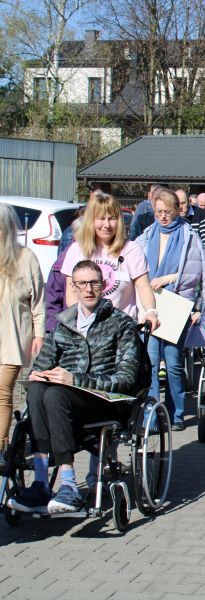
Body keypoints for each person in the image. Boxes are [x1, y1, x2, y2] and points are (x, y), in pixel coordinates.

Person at [8, 260, 139, 514]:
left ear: (104, 286)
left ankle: (68, 483)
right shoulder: (63, 324)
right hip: (62, 402)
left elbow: (126, 378)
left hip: (104, 401)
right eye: (82, 283)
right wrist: (40, 375)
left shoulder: (120, 323)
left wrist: (75, 379)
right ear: (74, 287)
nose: (88, 289)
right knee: (36, 389)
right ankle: (41, 482)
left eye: (94, 283)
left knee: (56, 393)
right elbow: (41, 364)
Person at [135, 188, 205, 431]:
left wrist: (168, 279)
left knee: (172, 362)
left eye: (167, 211)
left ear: (177, 210)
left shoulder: (190, 237)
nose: (163, 216)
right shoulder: (145, 236)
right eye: (158, 212)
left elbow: (202, 275)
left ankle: (176, 413)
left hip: (176, 306)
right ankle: (151, 411)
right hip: (149, 306)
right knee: (149, 361)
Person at [61, 192, 159, 331]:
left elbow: (144, 288)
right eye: (101, 218)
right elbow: (71, 293)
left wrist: (151, 311)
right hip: (86, 330)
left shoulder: (131, 250)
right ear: (91, 220)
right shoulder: (76, 250)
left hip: (122, 331)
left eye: (111, 219)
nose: (107, 225)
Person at [0, 205, 44, 464]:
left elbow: (37, 302)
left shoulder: (26, 257)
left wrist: (39, 335)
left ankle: (1, 447)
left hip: (14, 338)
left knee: (2, 392)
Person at [176, 189, 205, 257]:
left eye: (183, 203)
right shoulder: (172, 214)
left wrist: (203, 259)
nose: (180, 207)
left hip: (197, 257)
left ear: (189, 201)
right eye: (177, 204)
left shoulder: (199, 213)